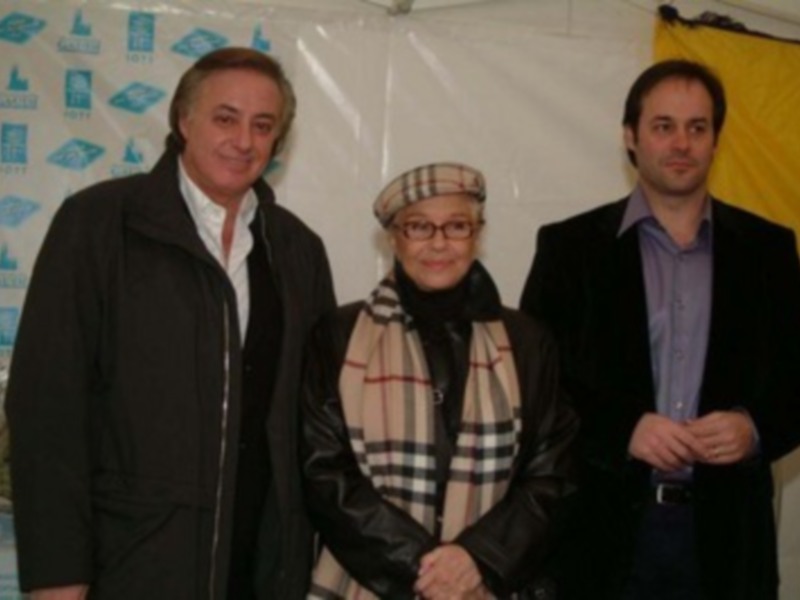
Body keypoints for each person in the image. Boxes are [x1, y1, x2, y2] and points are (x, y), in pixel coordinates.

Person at [6, 47, 336, 599]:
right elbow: (47, 406)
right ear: (183, 120)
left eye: (263, 125)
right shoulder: (99, 224)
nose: (244, 141)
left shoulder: (298, 249)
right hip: (133, 563)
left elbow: (316, 419)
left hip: (262, 566)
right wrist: (57, 572)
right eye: (225, 118)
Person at [519, 59, 800, 600]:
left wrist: (754, 428)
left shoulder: (768, 251)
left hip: (728, 543)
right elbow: (536, 385)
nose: (681, 144)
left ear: (716, 140)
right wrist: (620, 429)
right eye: (663, 126)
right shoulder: (570, 248)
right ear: (631, 136)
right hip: (599, 538)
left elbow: (795, 381)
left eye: (698, 127)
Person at [301, 162, 577, 599]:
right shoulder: (338, 336)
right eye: (418, 227)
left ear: (477, 234)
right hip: (368, 581)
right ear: (393, 237)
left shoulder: (527, 341)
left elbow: (552, 473)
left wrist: (476, 558)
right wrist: (424, 566)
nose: (439, 243)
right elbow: (325, 472)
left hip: (487, 583)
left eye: (457, 226)